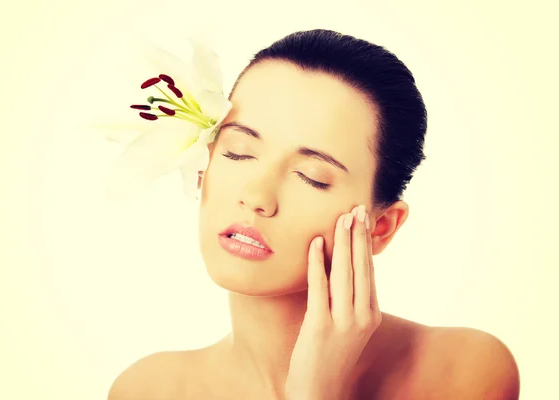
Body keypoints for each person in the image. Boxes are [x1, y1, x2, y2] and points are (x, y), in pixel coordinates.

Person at [108, 29, 520, 400]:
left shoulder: (460, 372)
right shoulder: (149, 390)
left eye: (311, 177)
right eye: (239, 152)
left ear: (380, 228)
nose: (256, 196)